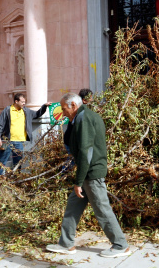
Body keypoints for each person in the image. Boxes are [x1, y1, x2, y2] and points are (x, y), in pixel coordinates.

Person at [47, 93, 131, 258]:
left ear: (74, 106)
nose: (63, 112)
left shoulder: (84, 119)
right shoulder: (82, 117)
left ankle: (121, 245)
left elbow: (86, 152)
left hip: (91, 173)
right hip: (87, 171)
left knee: (102, 209)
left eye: (64, 109)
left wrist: (78, 181)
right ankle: (66, 243)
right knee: (73, 207)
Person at [0, 93, 51, 175]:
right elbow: (0, 124)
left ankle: (16, 180)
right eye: (22, 102)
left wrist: (44, 106)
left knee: (18, 164)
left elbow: (37, 114)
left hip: (19, 142)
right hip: (7, 141)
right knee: (2, 162)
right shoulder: (7, 110)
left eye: (25, 102)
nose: (24, 103)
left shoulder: (26, 111)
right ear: (16, 101)